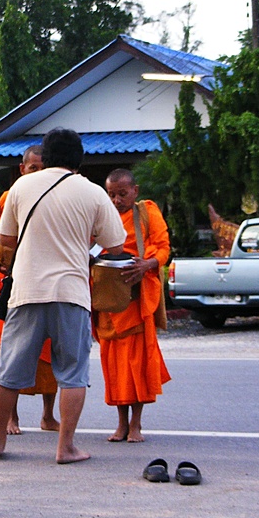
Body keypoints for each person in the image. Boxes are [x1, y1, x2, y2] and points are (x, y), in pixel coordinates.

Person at [0, 128, 126, 463]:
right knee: (73, 373)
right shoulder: (92, 193)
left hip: (27, 290)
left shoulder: (21, 186)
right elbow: (116, 245)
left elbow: (4, 241)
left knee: (8, 372)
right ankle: (66, 447)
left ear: (44, 157)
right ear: (79, 159)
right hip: (72, 292)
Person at [0, 146, 59, 435]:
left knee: (49, 349)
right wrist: (2, 259)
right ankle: (11, 418)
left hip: (45, 279)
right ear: (22, 169)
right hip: (12, 281)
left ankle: (48, 415)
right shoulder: (9, 197)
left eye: (42, 168)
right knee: (10, 349)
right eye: (32, 168)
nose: (37, 173)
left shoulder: (56, 196)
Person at [92, 168, 171, 443]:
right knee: (113, 365)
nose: (116, 200)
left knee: (137, 365)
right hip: (106, 297)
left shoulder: (146, 212)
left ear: (135, 191)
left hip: (135, 298)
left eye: (122, 194)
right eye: (111, 194)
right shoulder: (100, 215)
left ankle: (136, 424)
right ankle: (121, 423)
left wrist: (148, 264)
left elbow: (162, 247)